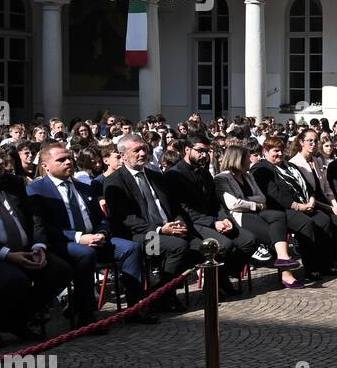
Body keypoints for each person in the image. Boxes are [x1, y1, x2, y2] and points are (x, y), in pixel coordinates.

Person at [0, 138, 74, 347]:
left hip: (24, 250)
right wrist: (6, 254)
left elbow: (35, 217)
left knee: (60, 270)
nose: (0, 162)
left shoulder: (13, 182)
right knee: (14, 279)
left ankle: (15, 319)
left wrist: (39, 246)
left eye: (1, 156)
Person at [28, 141, 149, 328]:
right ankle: (87, 315)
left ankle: (135, 308)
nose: (68, 162)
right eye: (61, 160)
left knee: (132, 248)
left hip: (95, 240)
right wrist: (78, 237)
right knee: (85, 253)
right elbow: (42, 226)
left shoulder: (85, 187)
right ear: (45, 166)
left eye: (69, 158)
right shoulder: (37, 189)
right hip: (63, 243)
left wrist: (101, 233)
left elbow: (102, 218)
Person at [103, 134, 196, 313]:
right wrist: (161, 229)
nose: (142, 153)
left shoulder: (155, 176)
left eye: (144, 149)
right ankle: (162, 295)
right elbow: (128, 220)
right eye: (136, 150)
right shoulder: (114, 181)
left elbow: (173, 206)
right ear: (123, 156)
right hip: (139, 236)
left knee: (199, 246)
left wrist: (179, 223)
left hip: (168, 228)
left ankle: (160, 293)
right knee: (178, 247)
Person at [165, 134, 258, 295]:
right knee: (223, 246)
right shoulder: (174, 175)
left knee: (249, 240)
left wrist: (223, 218)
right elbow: (183, 210)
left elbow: (216, 203)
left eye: (207, 151)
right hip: (192, 223)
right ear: (187, 149)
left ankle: (224, 275)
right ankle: (216, 285)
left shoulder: (205, 173)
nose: (204, 155)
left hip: (213, 219)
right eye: (200, 151)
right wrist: (214, 223)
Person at [251, 135, 337, 279]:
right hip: (280, 209)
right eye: (275, 151)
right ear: (265, 152)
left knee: (324, 220)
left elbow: (306, 185)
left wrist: (311, 199)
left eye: (281, 150)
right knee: (306, 224)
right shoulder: (261, 169)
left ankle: (326, 263)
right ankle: (311, 268)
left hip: (305, 204)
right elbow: (274, 195)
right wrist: (299, 207)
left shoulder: (289, 166)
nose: (279, 154)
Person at [215, 143, 302, 289]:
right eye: (248, 158)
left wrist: (249, 202)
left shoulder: (248, 176)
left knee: (278, 216)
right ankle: (286, 274)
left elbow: (262, 197)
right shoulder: (222, 178)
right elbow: (233, 204)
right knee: (274, 235)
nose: (251, 161)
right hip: (239, 215)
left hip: (256, 211)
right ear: (238, 159)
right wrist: (254, 204)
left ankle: (282, 258)